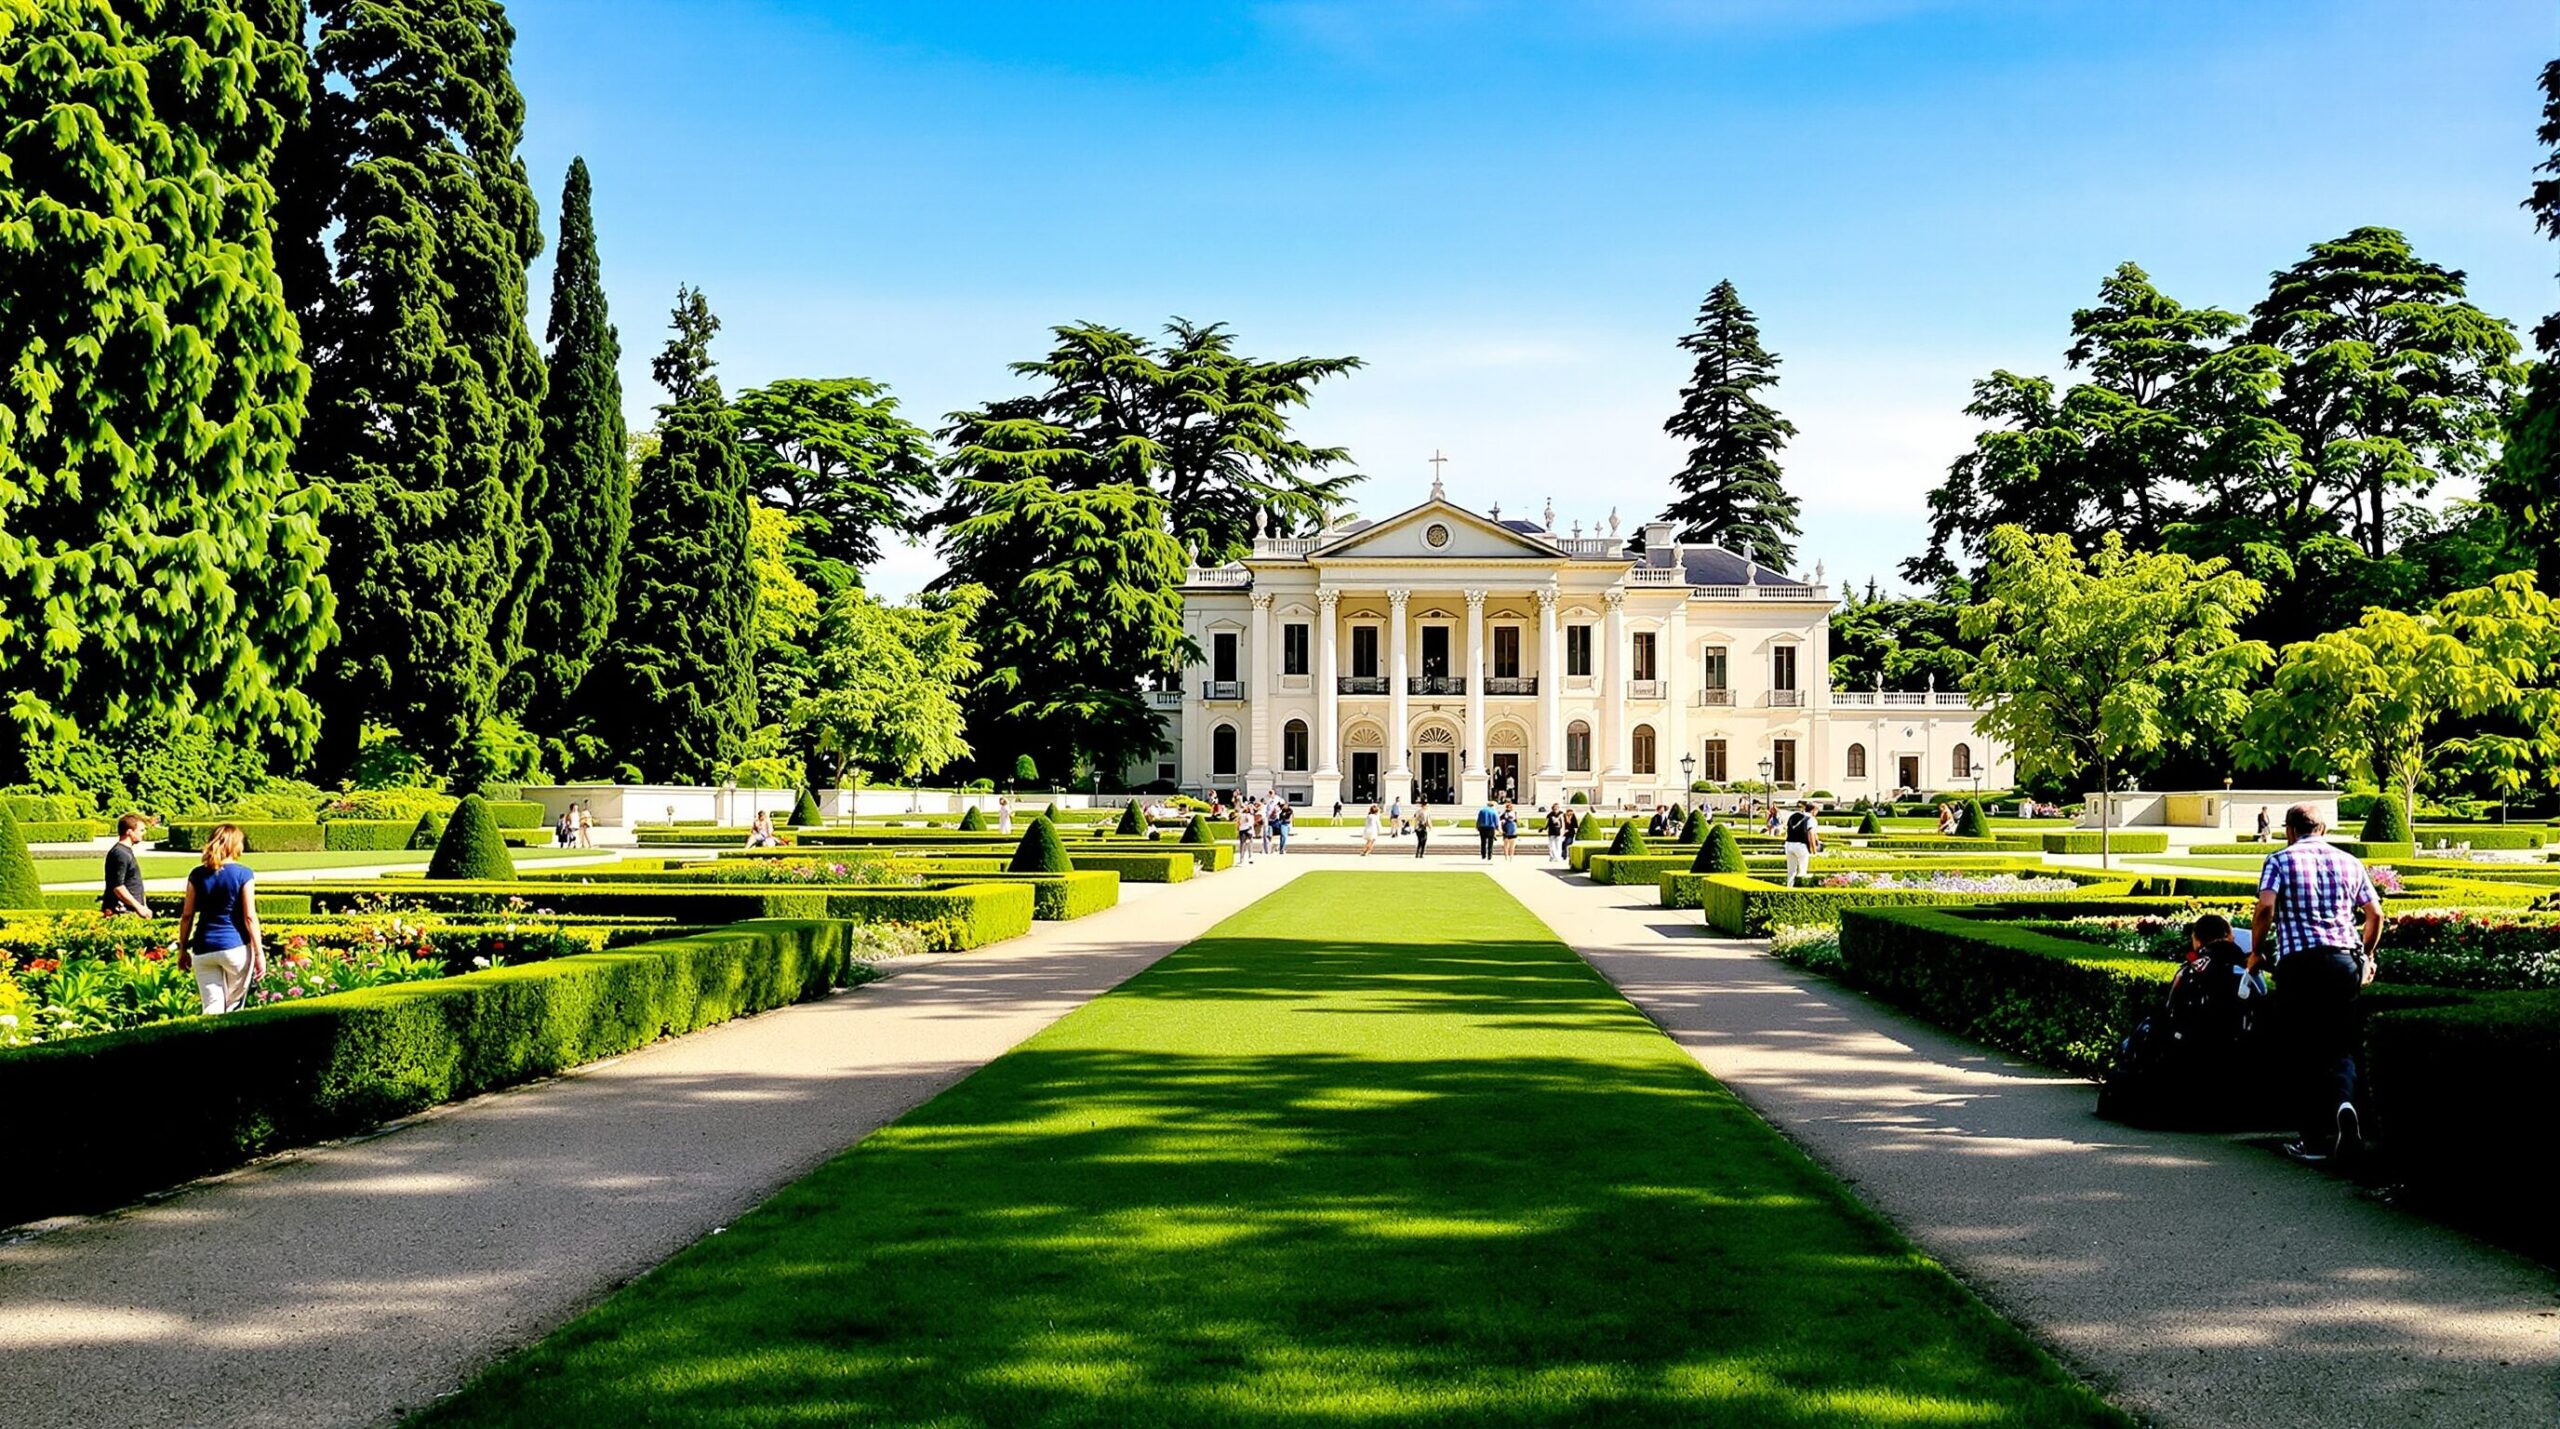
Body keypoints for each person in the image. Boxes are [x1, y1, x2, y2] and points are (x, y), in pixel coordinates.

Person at [2253, 803, 2384, 1163]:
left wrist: (2256, 951)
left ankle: (2312, 1141)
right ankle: (2345, 1105)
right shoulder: (2350, 862)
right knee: (2341, 1044)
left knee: (2303, 1049)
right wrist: (2367, 954)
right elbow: (2375, 913)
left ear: (2290, 830)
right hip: (2344, 961)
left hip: (2299, 962)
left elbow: (2265, 908)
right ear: (2323, 829)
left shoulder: (2279, 860)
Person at [175, 824, 263, 1015]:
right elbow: (249, 917)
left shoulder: (197, 874)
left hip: (203, 948)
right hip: (235, 947)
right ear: (234, 845)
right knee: (234, 1008)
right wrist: (259, 953)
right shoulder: (244, 873)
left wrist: (182, 949)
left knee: (211, 1008)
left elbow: (187, 916)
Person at [101, 813, 151, 917]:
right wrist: (139, 907)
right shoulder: (120, 853)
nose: (144, 833)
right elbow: (118, 887)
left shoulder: (125, 852)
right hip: (121, 912)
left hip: (130, 911)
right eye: (141, 830)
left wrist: (143, 906)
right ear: (129, 832)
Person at [1783, 800, 1822, 887]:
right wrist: (1814, 850)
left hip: (1789, 844)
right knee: (1802, 871)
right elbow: (1811, 834)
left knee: (1791, 872)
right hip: (1801, 846)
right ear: (1813, 810)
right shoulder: (1811, 819)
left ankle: (1789, 889)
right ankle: (1800, 890)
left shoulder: (1794, 816)